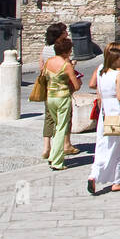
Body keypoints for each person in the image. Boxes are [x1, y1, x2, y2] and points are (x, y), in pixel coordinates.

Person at [88, 43, 120, 195]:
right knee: (117, 148)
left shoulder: (100, 70)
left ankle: (94, 174)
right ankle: (116, 180)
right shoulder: (119, 72)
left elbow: (95, 87)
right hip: (117, 112)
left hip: (105, 113)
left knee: (101, 145)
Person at [39, 22, 79, 162]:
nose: (67, 33)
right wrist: (72, 66)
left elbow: (41, 68)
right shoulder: (61, 50)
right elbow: (67, 70)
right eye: (65, 31)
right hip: (62, 92)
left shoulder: (45, 49)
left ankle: (46, 147)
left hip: (49, 90)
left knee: (49, 118)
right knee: (64, 121)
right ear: (59, 35)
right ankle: (65, 146)